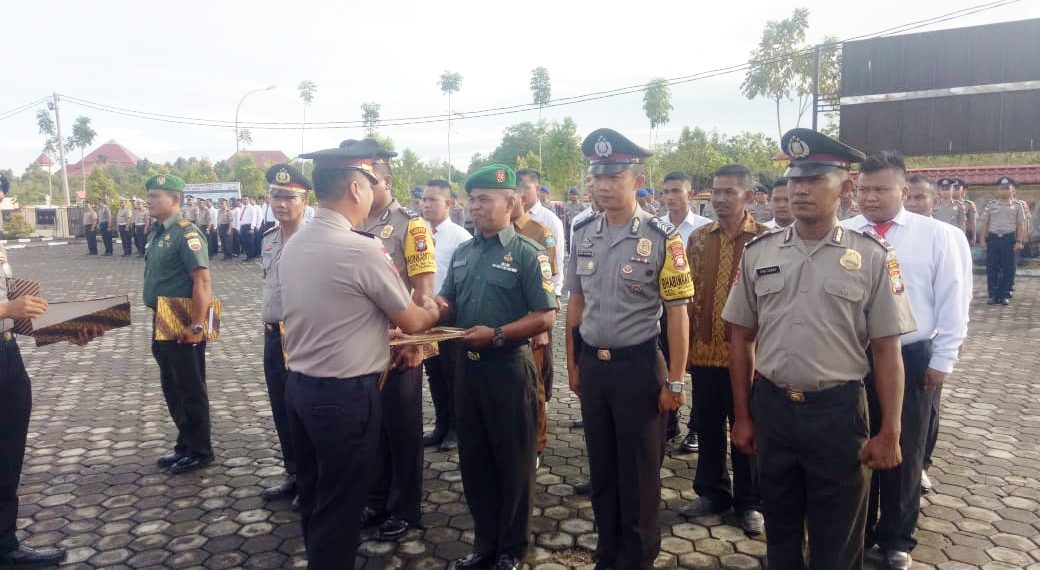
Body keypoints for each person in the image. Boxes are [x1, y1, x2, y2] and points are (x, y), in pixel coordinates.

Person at [724, 128, 917, 570]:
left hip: (838, 413)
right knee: (781, 535)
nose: (800, 190)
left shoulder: (873, 256)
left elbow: (887, 351)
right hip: (774, 409)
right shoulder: (758, 252)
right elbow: (741, 337)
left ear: (845, 188)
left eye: (814, 179)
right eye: (794, 180)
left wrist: (891, 431)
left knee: (837, 542)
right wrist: (744, 415)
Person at [280, 142, 440, 569]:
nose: (373, 192)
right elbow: (412, 319)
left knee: (316, 495)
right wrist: (433, 311)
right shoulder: (360, 248)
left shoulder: (296, 242)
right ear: (355, 188)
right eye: (370, 184)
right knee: (341, 506)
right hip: (344, 396)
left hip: (299, 387)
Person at [566, 128, 693, 569]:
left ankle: (637, 558)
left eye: (614, 177)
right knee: (602, 468)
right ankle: (608, 551)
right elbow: (576, 301)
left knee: (638, 473)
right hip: (594, 366)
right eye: (597, 177)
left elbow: (677, 314)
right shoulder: (582, 230)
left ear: (636, 180)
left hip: (638, 368)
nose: (603, 186)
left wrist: (675, 381)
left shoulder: (662, 237)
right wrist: (573, 364)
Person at [841, 151, 973, 570]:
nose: (870, 197)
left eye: (881, 189)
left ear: (903, 190)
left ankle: (896, 536)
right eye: (864, 189)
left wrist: (944, 358)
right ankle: (858, 530)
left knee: (905, 447)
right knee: (855, 445)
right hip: (854, 357)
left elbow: (954, 298)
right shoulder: (844, 232)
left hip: (910, 355)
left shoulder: (939, 236)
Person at [436, 164, 556, 570]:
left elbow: (545, 316)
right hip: (467, 372)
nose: (475, 206)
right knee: (475, 461)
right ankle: (485, 543)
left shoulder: (528, 253)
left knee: (514, 463)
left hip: (508, 369)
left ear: (511, 202)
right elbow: (449, 301)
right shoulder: (464, 252)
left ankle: (511, 549)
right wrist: (431, 308)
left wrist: (499, 334)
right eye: (473, 199)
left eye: (485, 199)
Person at [0, 175, 105, 568]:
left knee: (7, 454)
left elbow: (16, 313)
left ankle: (4, 544)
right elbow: (8, 308)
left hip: (6, 354)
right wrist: (7, 309)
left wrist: (65, 329)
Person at [352, 139, 437, 541]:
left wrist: (415, 343)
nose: (362, 189)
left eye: (370, 182)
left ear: (386, 182)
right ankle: (376, 498)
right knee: (371, 426)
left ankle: (405, 507)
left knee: (402, 428)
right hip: (361, 343)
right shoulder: (351, 222)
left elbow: (423, 290)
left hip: (400, 343)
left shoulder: (410, 225)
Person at [678, 164, 768, 536]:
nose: (720, 199)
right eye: (716, 191)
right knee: (709, 426)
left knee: (748, 428)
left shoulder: (766, 240)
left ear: (748, 196)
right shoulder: (699, 238)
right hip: (705, 353)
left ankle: (750, 501)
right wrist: (684, 350)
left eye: (729, 192)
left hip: (751, 357)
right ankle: (712, 492)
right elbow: (685, 297)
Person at [142, 174, 214, 476]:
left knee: (190, 387)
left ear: (175, 199)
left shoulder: (187, 233)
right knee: (172, 386)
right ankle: (185, 444)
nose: (148, 201)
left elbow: (202, 281)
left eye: (155, 196)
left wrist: (198, 324)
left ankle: (200, 450)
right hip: (163, 314)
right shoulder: (157, 232)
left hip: (182, 315)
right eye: (148, 195)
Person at [258, 164, 312, 506]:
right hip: (272, 335)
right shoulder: (268, 239)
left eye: (289, 197)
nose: (281, 203)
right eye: (276, 196)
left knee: (303, 410)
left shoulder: (313, 242)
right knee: (281, 407)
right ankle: (294, 473)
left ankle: (312, 479)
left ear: (305, 201)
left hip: (302, 337)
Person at [657, 171, 711, 449]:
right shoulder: (654, 227)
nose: (670, 197)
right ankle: (668, 423)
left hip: (699, 312)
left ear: (690, 193)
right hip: (666, 311)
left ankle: (696, 429)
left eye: (676, 191)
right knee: (667, 364)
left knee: (699, 372)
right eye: (666, 191)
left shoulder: (706, 228)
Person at [511, 180, 560, 468]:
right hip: (505, 322)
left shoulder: (540, 231)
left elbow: (548, 281)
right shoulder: (493, 232)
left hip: (532, 321)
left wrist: (541, 328)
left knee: (535, 387)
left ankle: (537, 445)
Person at [420, 179, 472, 451]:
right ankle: (441, 425)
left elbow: (467, 281)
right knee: (434, 373)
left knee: (454, 373)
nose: (426, 205)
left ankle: (457, 429)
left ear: (449, 203)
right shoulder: (418, 234)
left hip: (451, 316)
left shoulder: (460, 237)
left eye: (433, 200)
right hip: (425, 317)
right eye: (424, 200)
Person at [979, 176, 1027, 305]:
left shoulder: (1018, 206)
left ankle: (1004, 294)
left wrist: (1019, 241)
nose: (1004, 191)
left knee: (1008, 268)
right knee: (991, 267)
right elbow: (985, 223)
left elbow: (1020, 225)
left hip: (1009, 239)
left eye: (1007, 188)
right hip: (993, 239)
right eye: (1001, 188)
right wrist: (982, 240)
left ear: (1012, 190)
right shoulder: (991, 205)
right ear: (998, 190)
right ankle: (992, 295)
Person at [954, 180, 977, 244]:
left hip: (964, 233)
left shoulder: (968, 204)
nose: (954, 190)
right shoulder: (944, 204)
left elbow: (973, 222)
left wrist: (974, 236)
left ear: (964, 190)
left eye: (957, 188)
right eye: (953, 188)